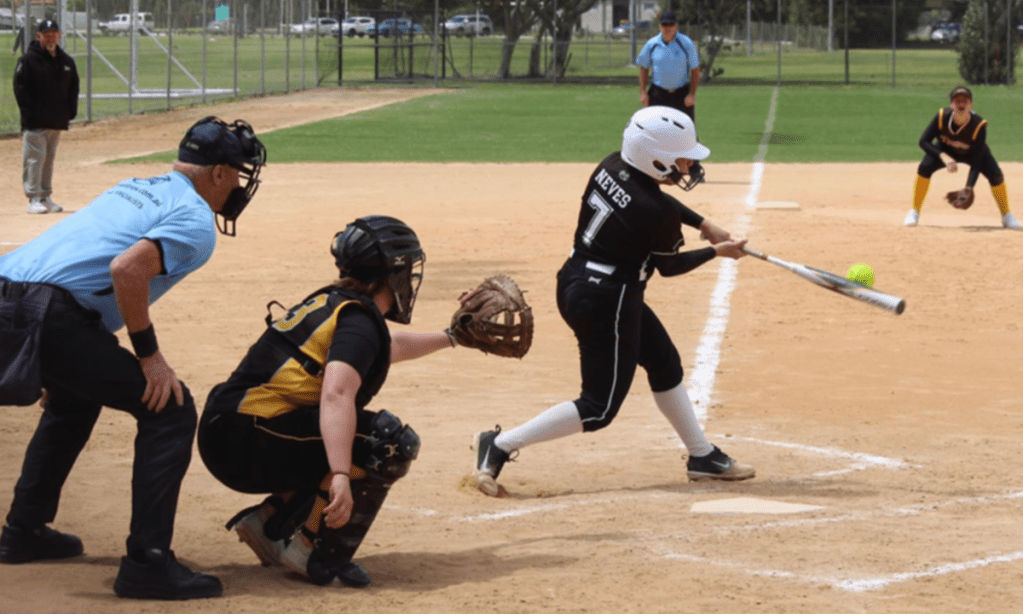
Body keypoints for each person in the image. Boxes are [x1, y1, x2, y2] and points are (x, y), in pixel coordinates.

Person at [0, 116, 266, 600]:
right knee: (170, 409)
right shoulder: (194, 220)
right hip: (48, 314)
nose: (241, 186)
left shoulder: (135, 186)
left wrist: (49, 357)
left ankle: (24, 530)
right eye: (240, 173)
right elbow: (127, 269)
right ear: (220, 174)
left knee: (74, 400)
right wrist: (150, 356)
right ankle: (148, 563)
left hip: (11, 294)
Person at [470, 106, 755, 498]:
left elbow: (652, 194)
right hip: (608, 302)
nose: (689, 164)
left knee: (663, 361)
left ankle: (701, 455)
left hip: (576, 280)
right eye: (682, 157)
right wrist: (717, 251)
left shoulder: (612, 165)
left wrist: (703, 225)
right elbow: (670, 267)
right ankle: (498, 444)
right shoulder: (653, 212)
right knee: (598, 407)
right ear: (656, 157)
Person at [198, 215, 458, 588]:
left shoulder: (339, 305)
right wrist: (339, 473)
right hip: (247, 437)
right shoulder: (360, 322)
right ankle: (312, 551)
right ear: (391, 274)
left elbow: (386, 348)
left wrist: (452, 337)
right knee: (384, 442)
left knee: (338, 434)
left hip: (232, 428)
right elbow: (337, 394)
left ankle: (269, 524)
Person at [904, 85, 1019, 229]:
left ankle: (1007, 215)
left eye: (965, 100)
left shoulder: (978, 126)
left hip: (972, 152)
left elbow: (976, 163)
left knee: (996, 175)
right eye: (957, 100)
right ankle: (914, 211)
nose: (961, 103)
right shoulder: (942, 117)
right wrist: (943, 156)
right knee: (924, 168)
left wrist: (969, 187)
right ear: (951, 105)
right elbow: (923, 141)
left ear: (971, 105)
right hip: (945, 149)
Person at [13, 19, 79, 215]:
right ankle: (33, 197)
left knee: (48, 158)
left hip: (56, 120)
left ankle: (45, 196)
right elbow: (20, 89)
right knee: (35, 158)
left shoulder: (66, 61)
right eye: (46, 34)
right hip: (35, 121)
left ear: (59, 36)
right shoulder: (29, 60)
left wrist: (69, 112)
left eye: (54, 34)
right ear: (38, 36)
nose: (51, 37)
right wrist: (28, 113)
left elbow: (73, 88)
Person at [636, 11, 704, 185]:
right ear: (659, 26)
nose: (667, 29)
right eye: (664, 25)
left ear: (676, 26)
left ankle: (695, 169)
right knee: (654, 130)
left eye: (670, 25)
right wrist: (643, 92)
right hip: (659, 92)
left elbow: (695, 70)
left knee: (688, 130)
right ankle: (655, 168)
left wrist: (692, 94)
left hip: (681, 93)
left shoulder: (685, 43)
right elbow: (643, 67)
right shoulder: (652, 44)